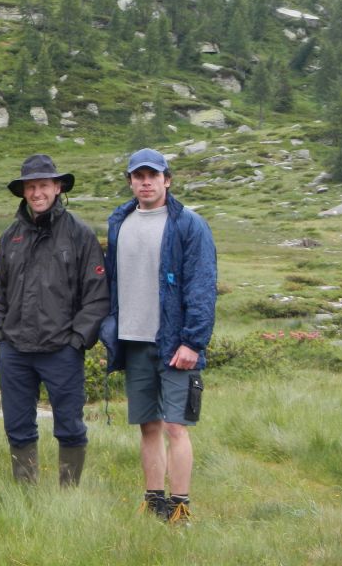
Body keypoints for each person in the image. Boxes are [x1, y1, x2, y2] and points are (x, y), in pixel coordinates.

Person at [100, 148, 217, 523]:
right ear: (131, 181)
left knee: (175, 426)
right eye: (138, 176)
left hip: (174, 342)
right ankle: (154, 502)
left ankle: (180, 506)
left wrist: (193, 342)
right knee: (148, 425)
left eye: (153, 175)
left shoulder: (188, 224)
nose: (146, 182)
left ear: (167, 179)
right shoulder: (119, 221)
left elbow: (201, 285)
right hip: (133, 340)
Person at [0, 154, 109, 487]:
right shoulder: (11, 236)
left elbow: (97, 294)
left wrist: (77, 341)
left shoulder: (80, 235)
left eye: (44, 185)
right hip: (15, 350)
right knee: (17, 425)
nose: (37, 193)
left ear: (57, 187)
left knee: (70, 426)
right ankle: (25, 493)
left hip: (62, 350)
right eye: (31, 187)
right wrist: (0, 335)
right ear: (23, 191)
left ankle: (68, 492)